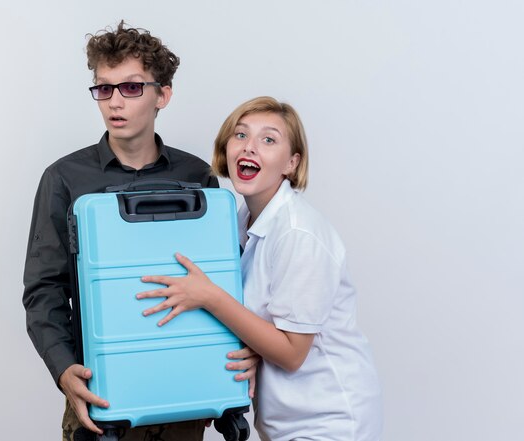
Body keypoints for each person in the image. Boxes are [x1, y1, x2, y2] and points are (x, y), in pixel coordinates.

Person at [22, 22, 257, 441]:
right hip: (103, 398)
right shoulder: (63, 179)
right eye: (104, 88)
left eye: (131, 88)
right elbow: (43, 291)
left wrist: (229, 360)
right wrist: (63, 371)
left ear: (162, 95)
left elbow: (219, 282)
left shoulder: (198, 176)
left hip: (185, 389)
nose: (115, 102)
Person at [137, 96, 383, 441]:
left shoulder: (299, 234)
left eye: (268, 140)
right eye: (240, 135)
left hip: (330, 421)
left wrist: (209, 296)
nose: (249, 147)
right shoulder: (239, 222)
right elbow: (257, 326)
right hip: (284, 422)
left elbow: (292, 352)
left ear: (292, 163)